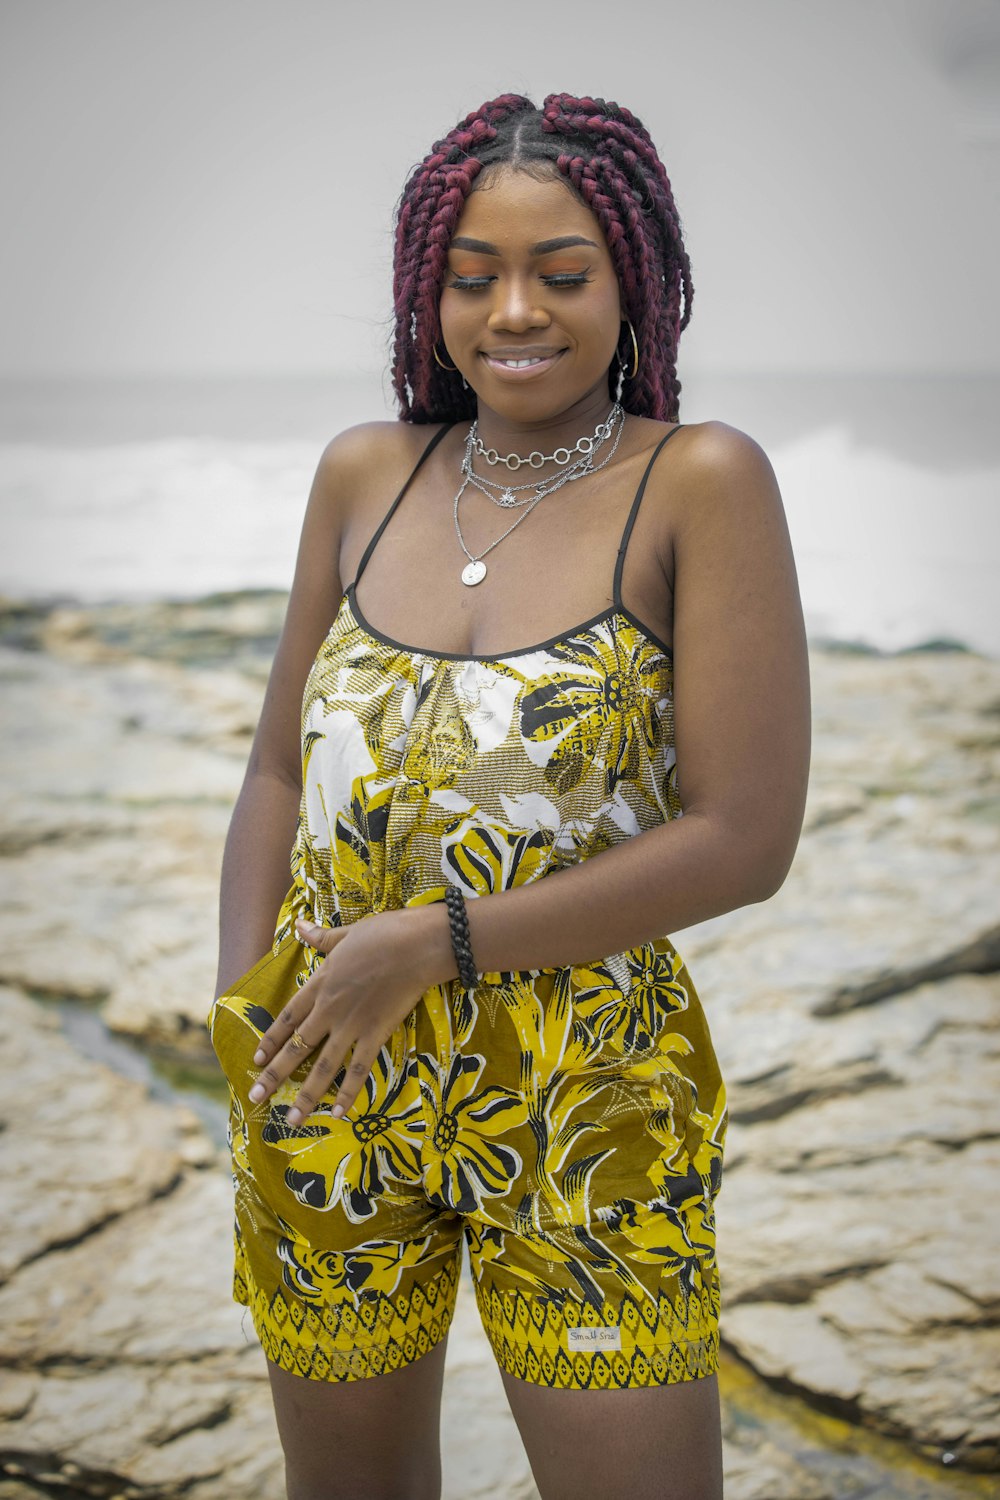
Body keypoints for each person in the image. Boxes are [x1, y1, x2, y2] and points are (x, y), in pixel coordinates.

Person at [208, 92, 810, 1500]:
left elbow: (744, 839)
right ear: (430, 290)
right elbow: (280, 765)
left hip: (585, 1082)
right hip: (328, 1064)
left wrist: (430, 944)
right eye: (472, 276)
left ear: (634, 282)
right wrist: (247, 1010)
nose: (514, 312)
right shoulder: (367, 470)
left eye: (563, 272)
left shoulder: (699, 482)